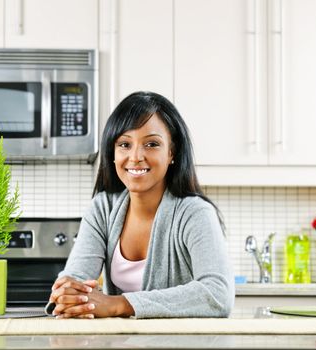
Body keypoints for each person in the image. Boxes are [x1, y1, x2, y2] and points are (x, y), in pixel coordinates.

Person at [49, 91, 234, 319]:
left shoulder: (195, 213)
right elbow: (76, 279)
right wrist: (65, 293)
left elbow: (218, 293)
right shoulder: (102, 209)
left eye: (152, 144)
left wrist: (119, 304)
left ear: (171, 153)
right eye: (125, 144)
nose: (136, 156)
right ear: (113, 153)